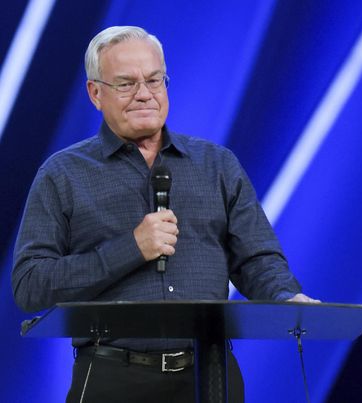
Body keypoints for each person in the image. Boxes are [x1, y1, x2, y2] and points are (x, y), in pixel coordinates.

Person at [12, 26, 318, 403]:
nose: (144, 94)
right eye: (126, 84)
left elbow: (256, 259)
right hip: (112, 377)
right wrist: (131, 248)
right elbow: (30, 284)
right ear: (95, 93)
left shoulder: (217, 165)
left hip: (211, 376)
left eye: (154, 80)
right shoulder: (63, 174)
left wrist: (285, 297)